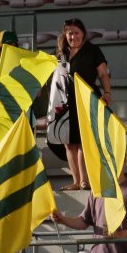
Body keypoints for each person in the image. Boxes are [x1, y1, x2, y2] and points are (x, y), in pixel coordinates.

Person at [47, 18, 112, 191]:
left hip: (86, 100)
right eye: (69, 33)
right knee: (68, 142)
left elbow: (103, 74)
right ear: (65, 34)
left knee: (83, 140)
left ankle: (85, 180)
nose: (73, 36)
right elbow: (49, 74)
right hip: (63, 102)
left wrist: (107, 92)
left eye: (76, 33)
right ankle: (76, 180)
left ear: (83, 33)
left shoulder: (93, 50)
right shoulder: (60, 52)